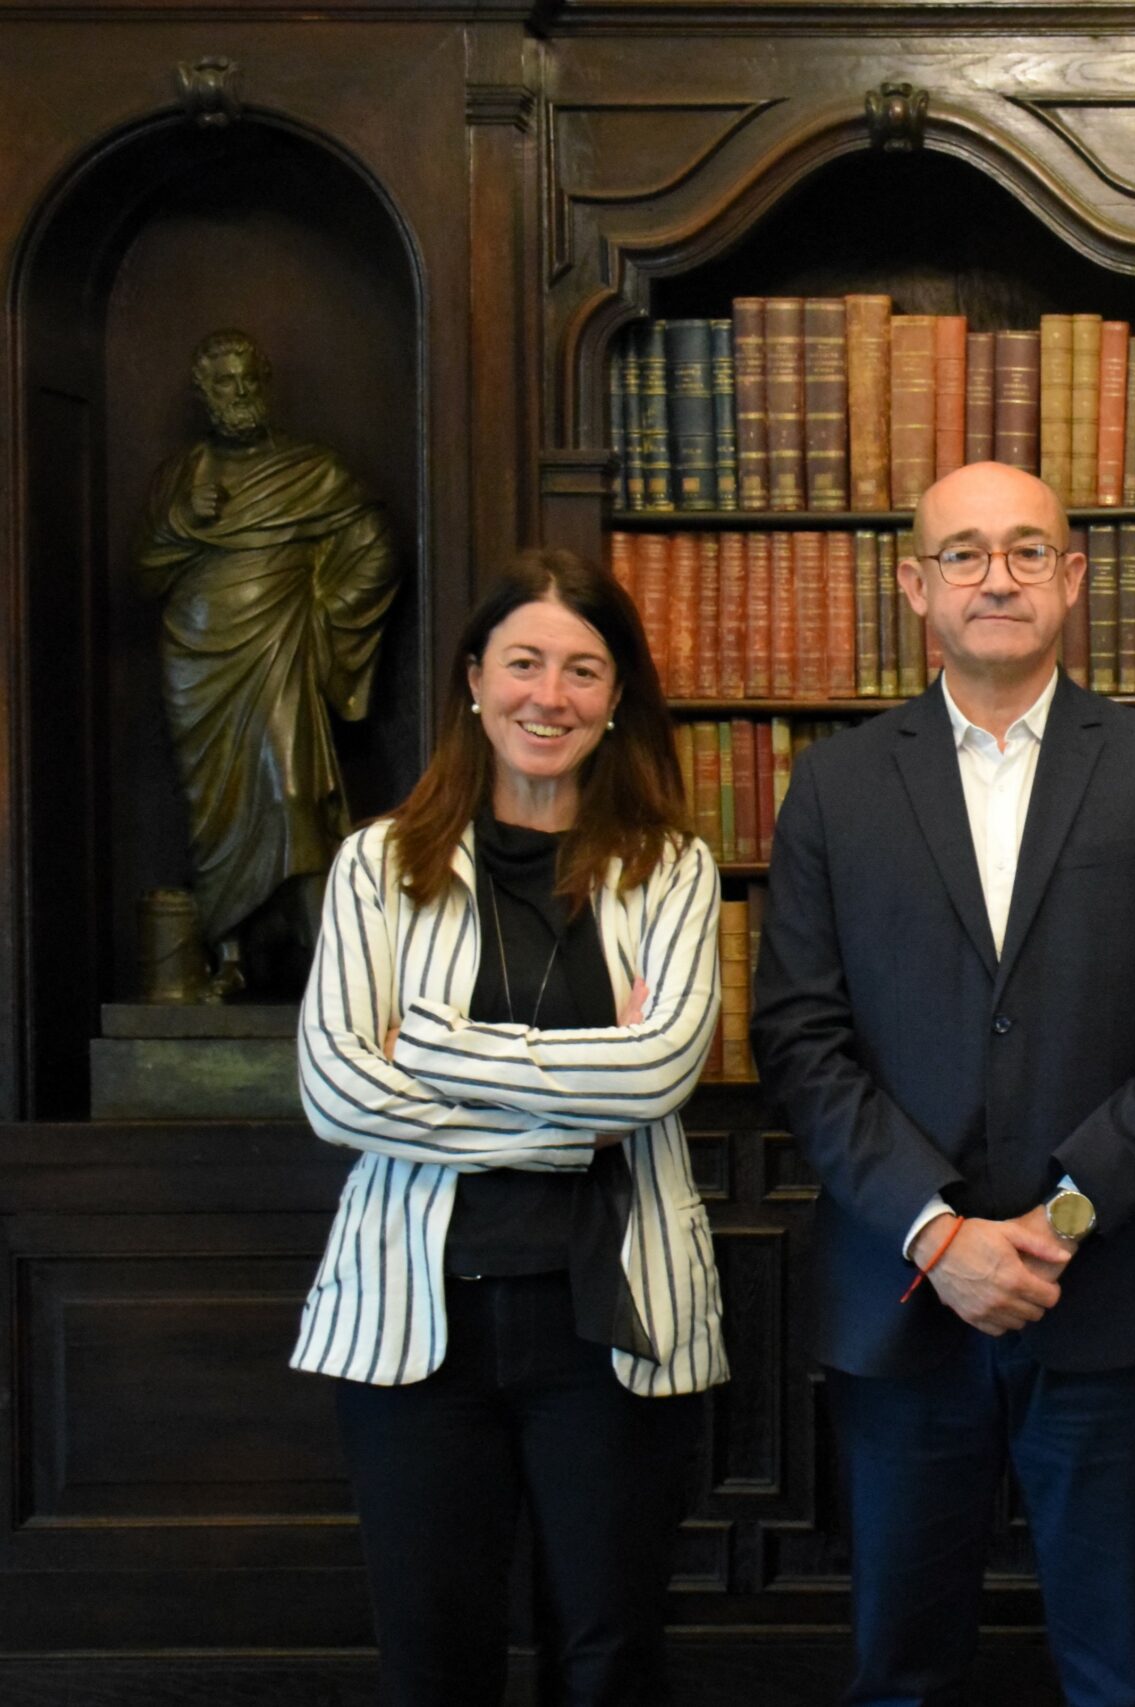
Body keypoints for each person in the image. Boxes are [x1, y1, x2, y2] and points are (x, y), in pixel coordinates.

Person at [752, 461, 1135, 1707]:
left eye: (1028, 550)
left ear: (1073, 579)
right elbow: (799, 1037)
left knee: (1119, 1673)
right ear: (914, 585)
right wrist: (940, 1236)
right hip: (900, 1299)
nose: (998, 578)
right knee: (900, 1672)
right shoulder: (835, 784)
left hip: (1113, 1295)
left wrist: (1060, 1221)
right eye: (965, 554)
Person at [292, 547, 727, 1707]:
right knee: (436, 1661)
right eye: (524, 663)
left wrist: (433, 1046)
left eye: (583, 670)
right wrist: (561, 1126)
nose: (551, 696)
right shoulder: (378, 864)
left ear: (616, 697)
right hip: (416, 1330)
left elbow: (658, 1073)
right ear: (475, 679)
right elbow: (337, 1091)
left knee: (608, 1656)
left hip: (613, 1329)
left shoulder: (671, 868)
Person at [137, 328, 402, 991]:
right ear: (205, 393)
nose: (240, 392)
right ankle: (224, 960)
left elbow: (375, 544)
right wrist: (183, 521)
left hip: (279, 650)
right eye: (225, 382)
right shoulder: (179, 478)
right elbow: (145, 573)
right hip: (197, 665)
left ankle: (326, 963)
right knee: (213, 812)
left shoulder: (313, 471)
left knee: (292, 795)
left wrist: (323, 617)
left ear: (266, 384)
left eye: (248, 378)